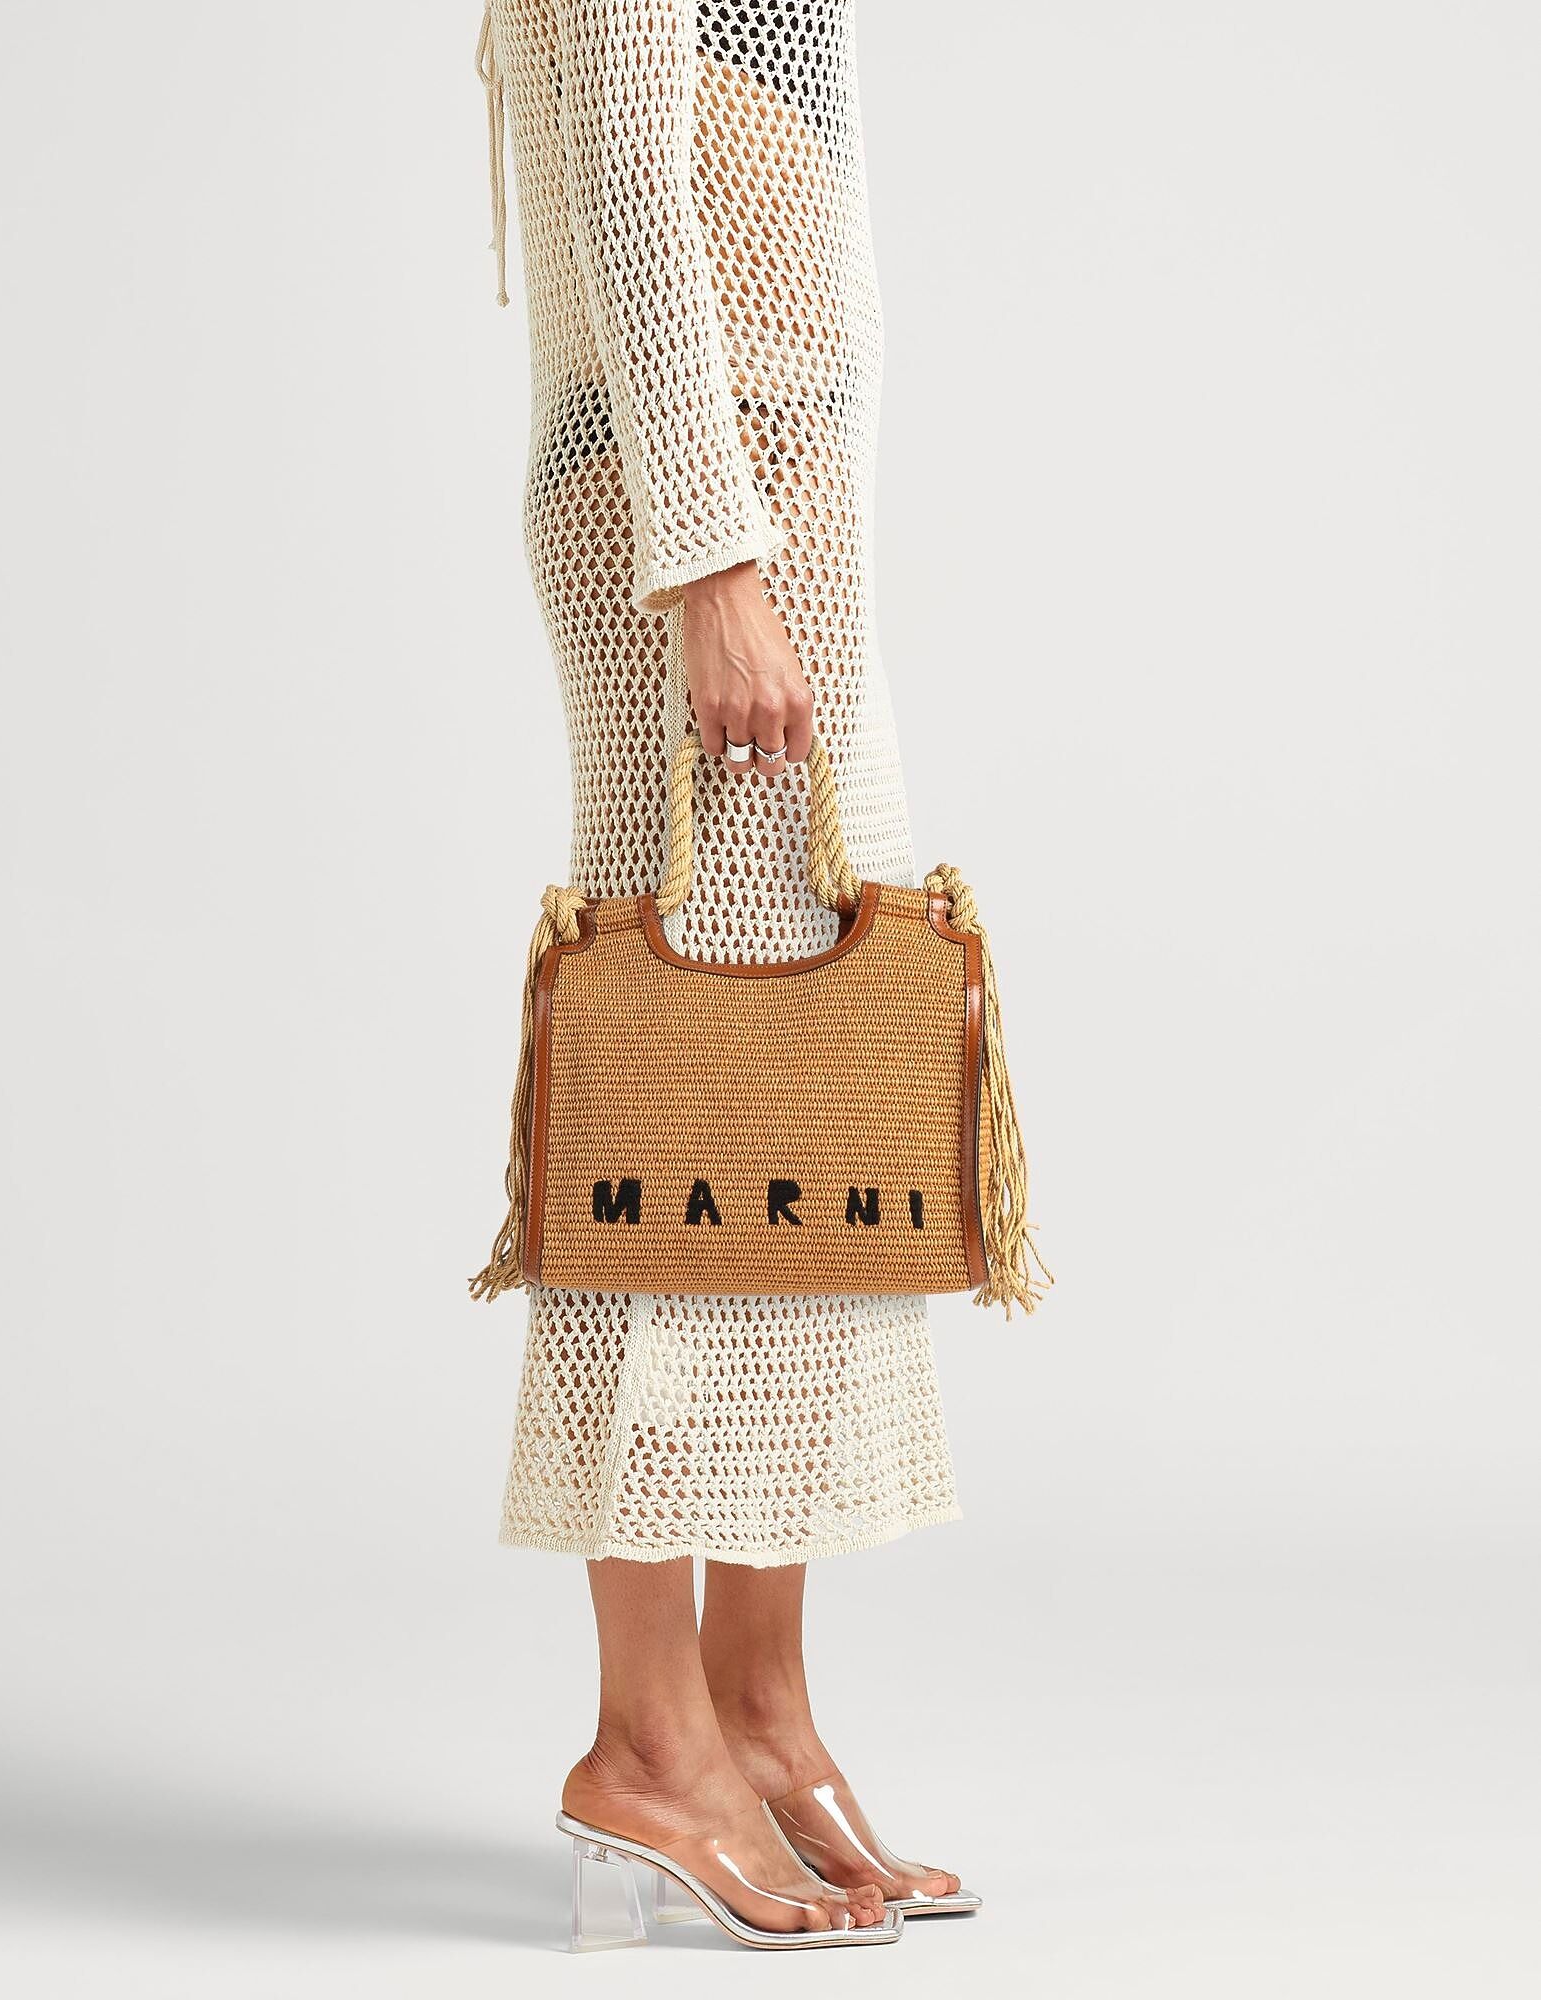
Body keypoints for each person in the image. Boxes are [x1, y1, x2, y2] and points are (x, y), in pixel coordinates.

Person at [476, 0, 976, 1946]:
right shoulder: (706, 543)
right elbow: (623, 155)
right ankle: (647, 1737)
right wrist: (711, 560)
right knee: (674, 1104)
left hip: (782, 487)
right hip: (705, 510)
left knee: (791, 1107)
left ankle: (758, 1713)